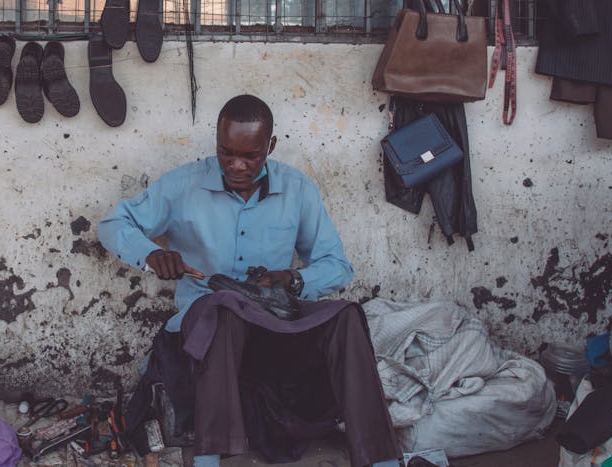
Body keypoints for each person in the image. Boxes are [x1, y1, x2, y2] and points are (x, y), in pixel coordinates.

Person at [98, 94, 399, 467]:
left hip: (272, 325)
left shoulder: (298, 190)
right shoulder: (182, 186)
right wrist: (151, 254)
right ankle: (209, 457)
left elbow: (337, 265)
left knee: (346, 317)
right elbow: (112, 225)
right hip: (205, 331)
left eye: (251, 156)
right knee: (223, 307)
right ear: (217, 141)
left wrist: (291, 279)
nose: (236, 165)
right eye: (226, 153)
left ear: (270, 147)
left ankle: (380, 457)